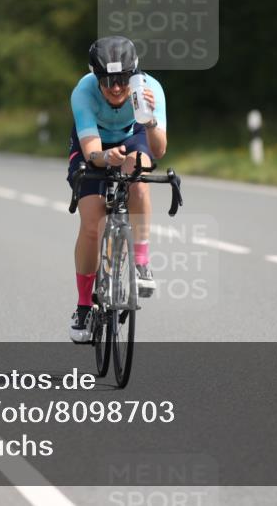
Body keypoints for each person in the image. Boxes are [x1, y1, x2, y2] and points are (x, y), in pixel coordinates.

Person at [67, 36, 167, 343]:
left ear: (133, 75)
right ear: (95, 77)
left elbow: (159, 150)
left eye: (122, 79)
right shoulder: (83, 92)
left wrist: (149, 121)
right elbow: (91, 149)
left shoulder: (149, 90)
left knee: (139, 178)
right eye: (107, 80)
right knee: (92, 223)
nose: (115, 87)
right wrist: (102, 158)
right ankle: (84, 305)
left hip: (133, 135)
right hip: (93, 143)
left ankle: (141, 262)